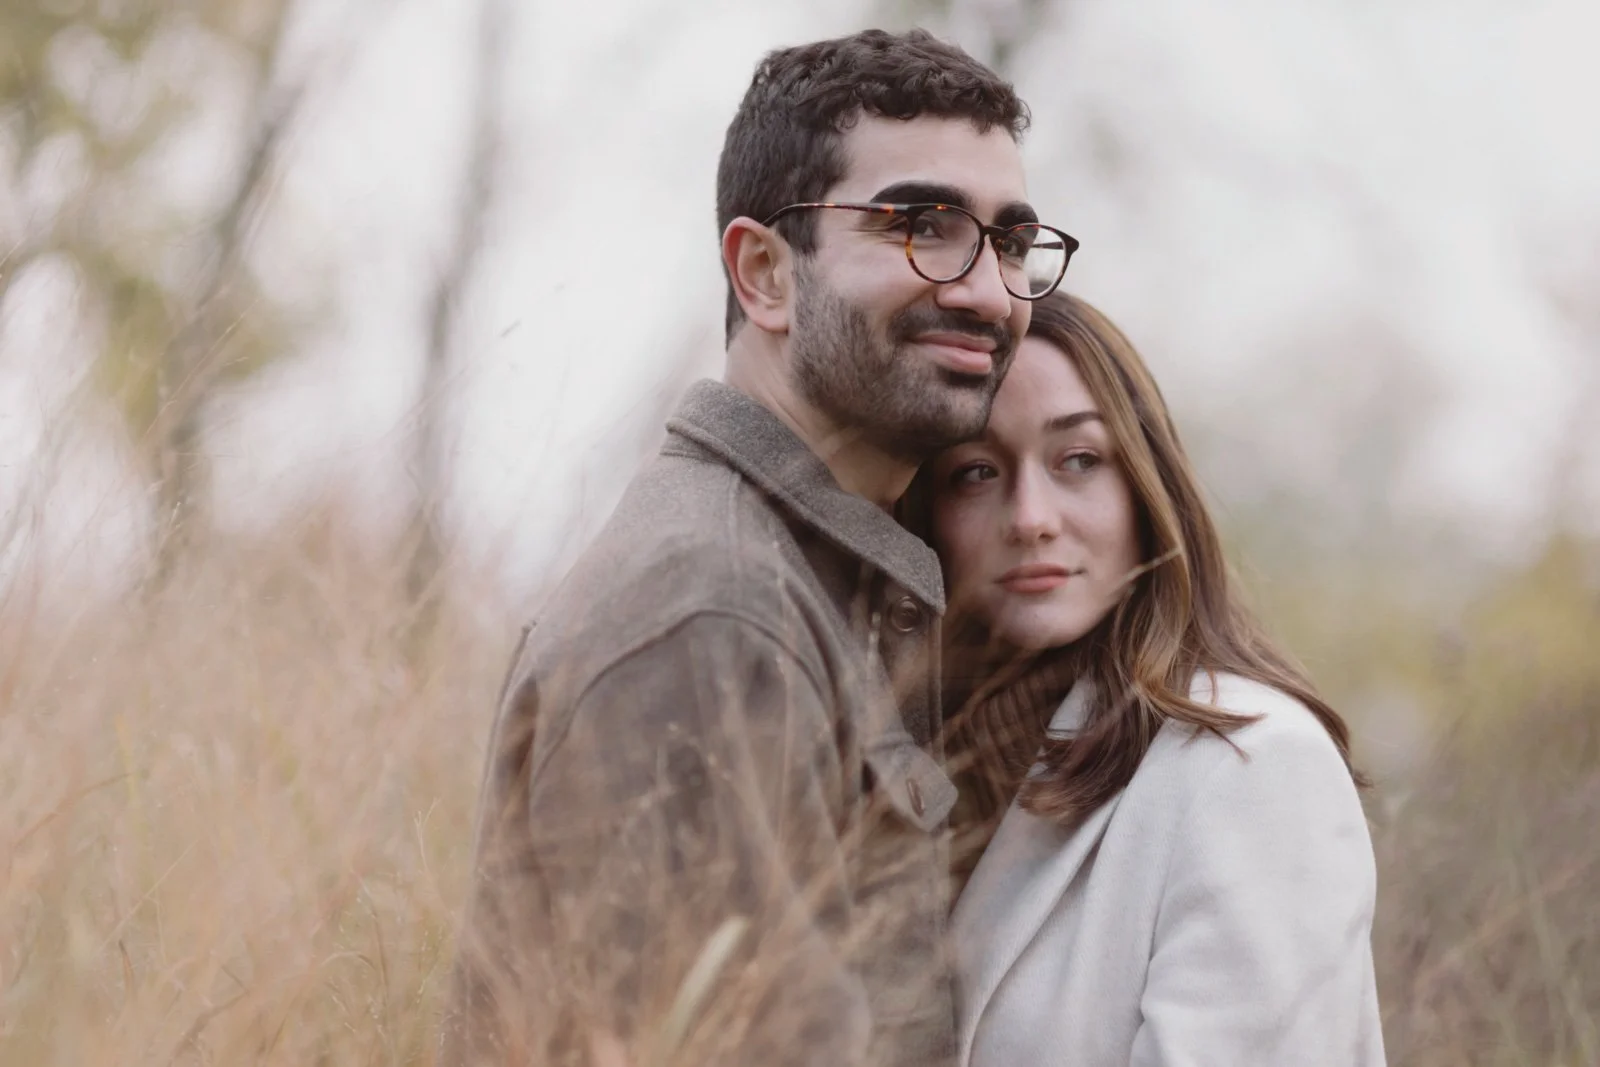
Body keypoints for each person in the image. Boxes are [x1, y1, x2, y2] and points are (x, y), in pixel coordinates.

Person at [439, 29, 1079, 1067]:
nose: (986, 290)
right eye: (922, 224)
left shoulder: (822, 586)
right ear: (765, 273)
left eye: (1010, 242)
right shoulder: (715, 610)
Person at [909, 291, 1385, 1066]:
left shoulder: (1251, 764)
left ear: (1144, 488)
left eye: (1078, 460)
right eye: (975, 471)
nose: (1030, 516)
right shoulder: (932, 779)